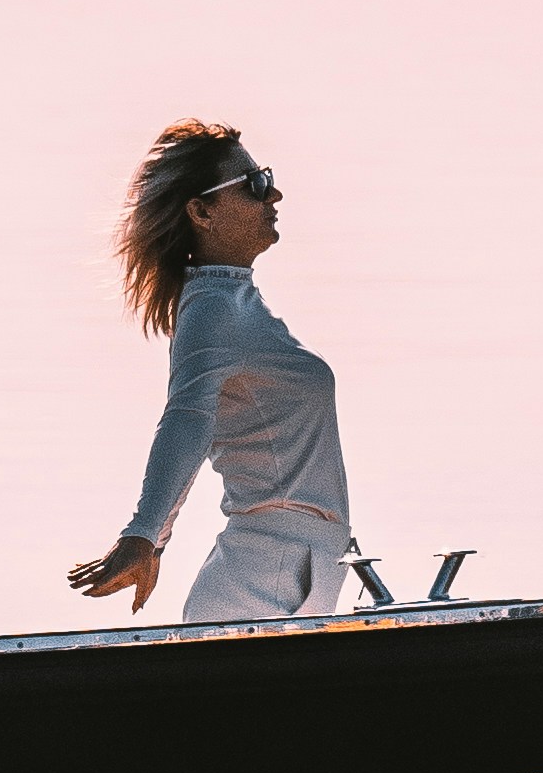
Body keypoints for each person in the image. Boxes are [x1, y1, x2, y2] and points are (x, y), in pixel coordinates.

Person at [69, 124, 356, 622]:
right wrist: (144, 533)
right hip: (263, 578)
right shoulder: (213, 309)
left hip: (299, 569)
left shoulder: (236, 300)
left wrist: (153, 537)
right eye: (254, 184)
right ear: (202, 212)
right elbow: (186, 417)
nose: (274, 193)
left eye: (265, 177)